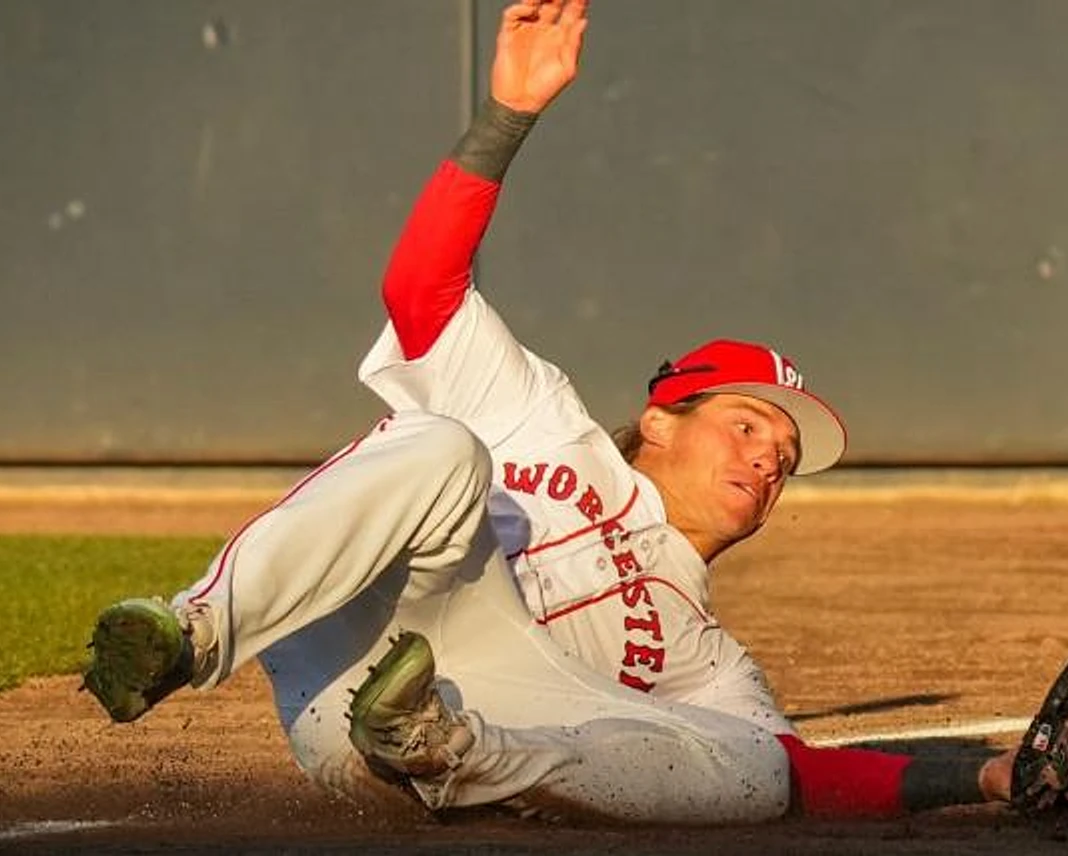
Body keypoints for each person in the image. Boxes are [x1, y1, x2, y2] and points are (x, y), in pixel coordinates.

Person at [83, 0, 1018, 823]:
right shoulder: (542, 413)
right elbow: (419, 292)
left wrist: (983, 778)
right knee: (443, 446)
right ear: (661, 420)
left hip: (435, 734)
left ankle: (446, 752)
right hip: (374, 628)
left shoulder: (704, 658)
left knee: (755, 769)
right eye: (746, 424)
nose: (770, 458)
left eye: (785, 455)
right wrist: (508, 117)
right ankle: (189, 634)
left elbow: (804, 777)